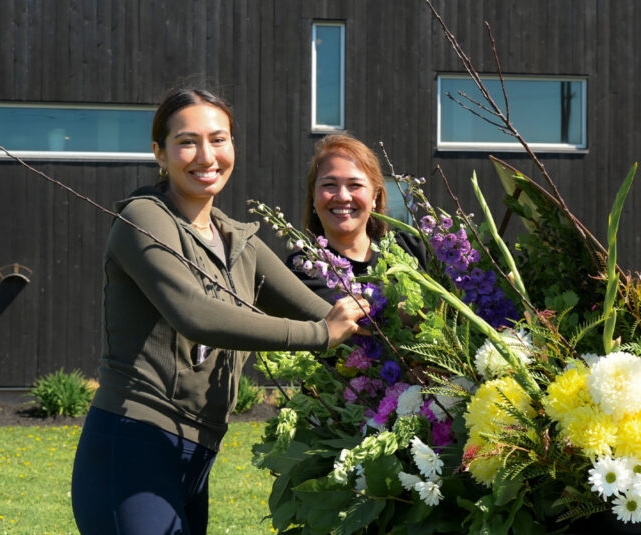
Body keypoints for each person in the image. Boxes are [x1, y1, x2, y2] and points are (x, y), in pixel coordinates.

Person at [71, 88, 369, 535]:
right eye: (187, 141)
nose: (206, 155)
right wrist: (319, 335)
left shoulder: (236, 240)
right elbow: (196, 314)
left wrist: (406, 341)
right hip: (134, 443)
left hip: (198, 452)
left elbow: (324, 308)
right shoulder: (143, 219)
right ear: (161, 153)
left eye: (219, 139)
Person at [287, 134, 427, 302]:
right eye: (329, 185)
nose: (342, 196)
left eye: (355, 185)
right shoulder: (300, 272)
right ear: (314, 197)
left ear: (375, 197)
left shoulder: (412, 250)